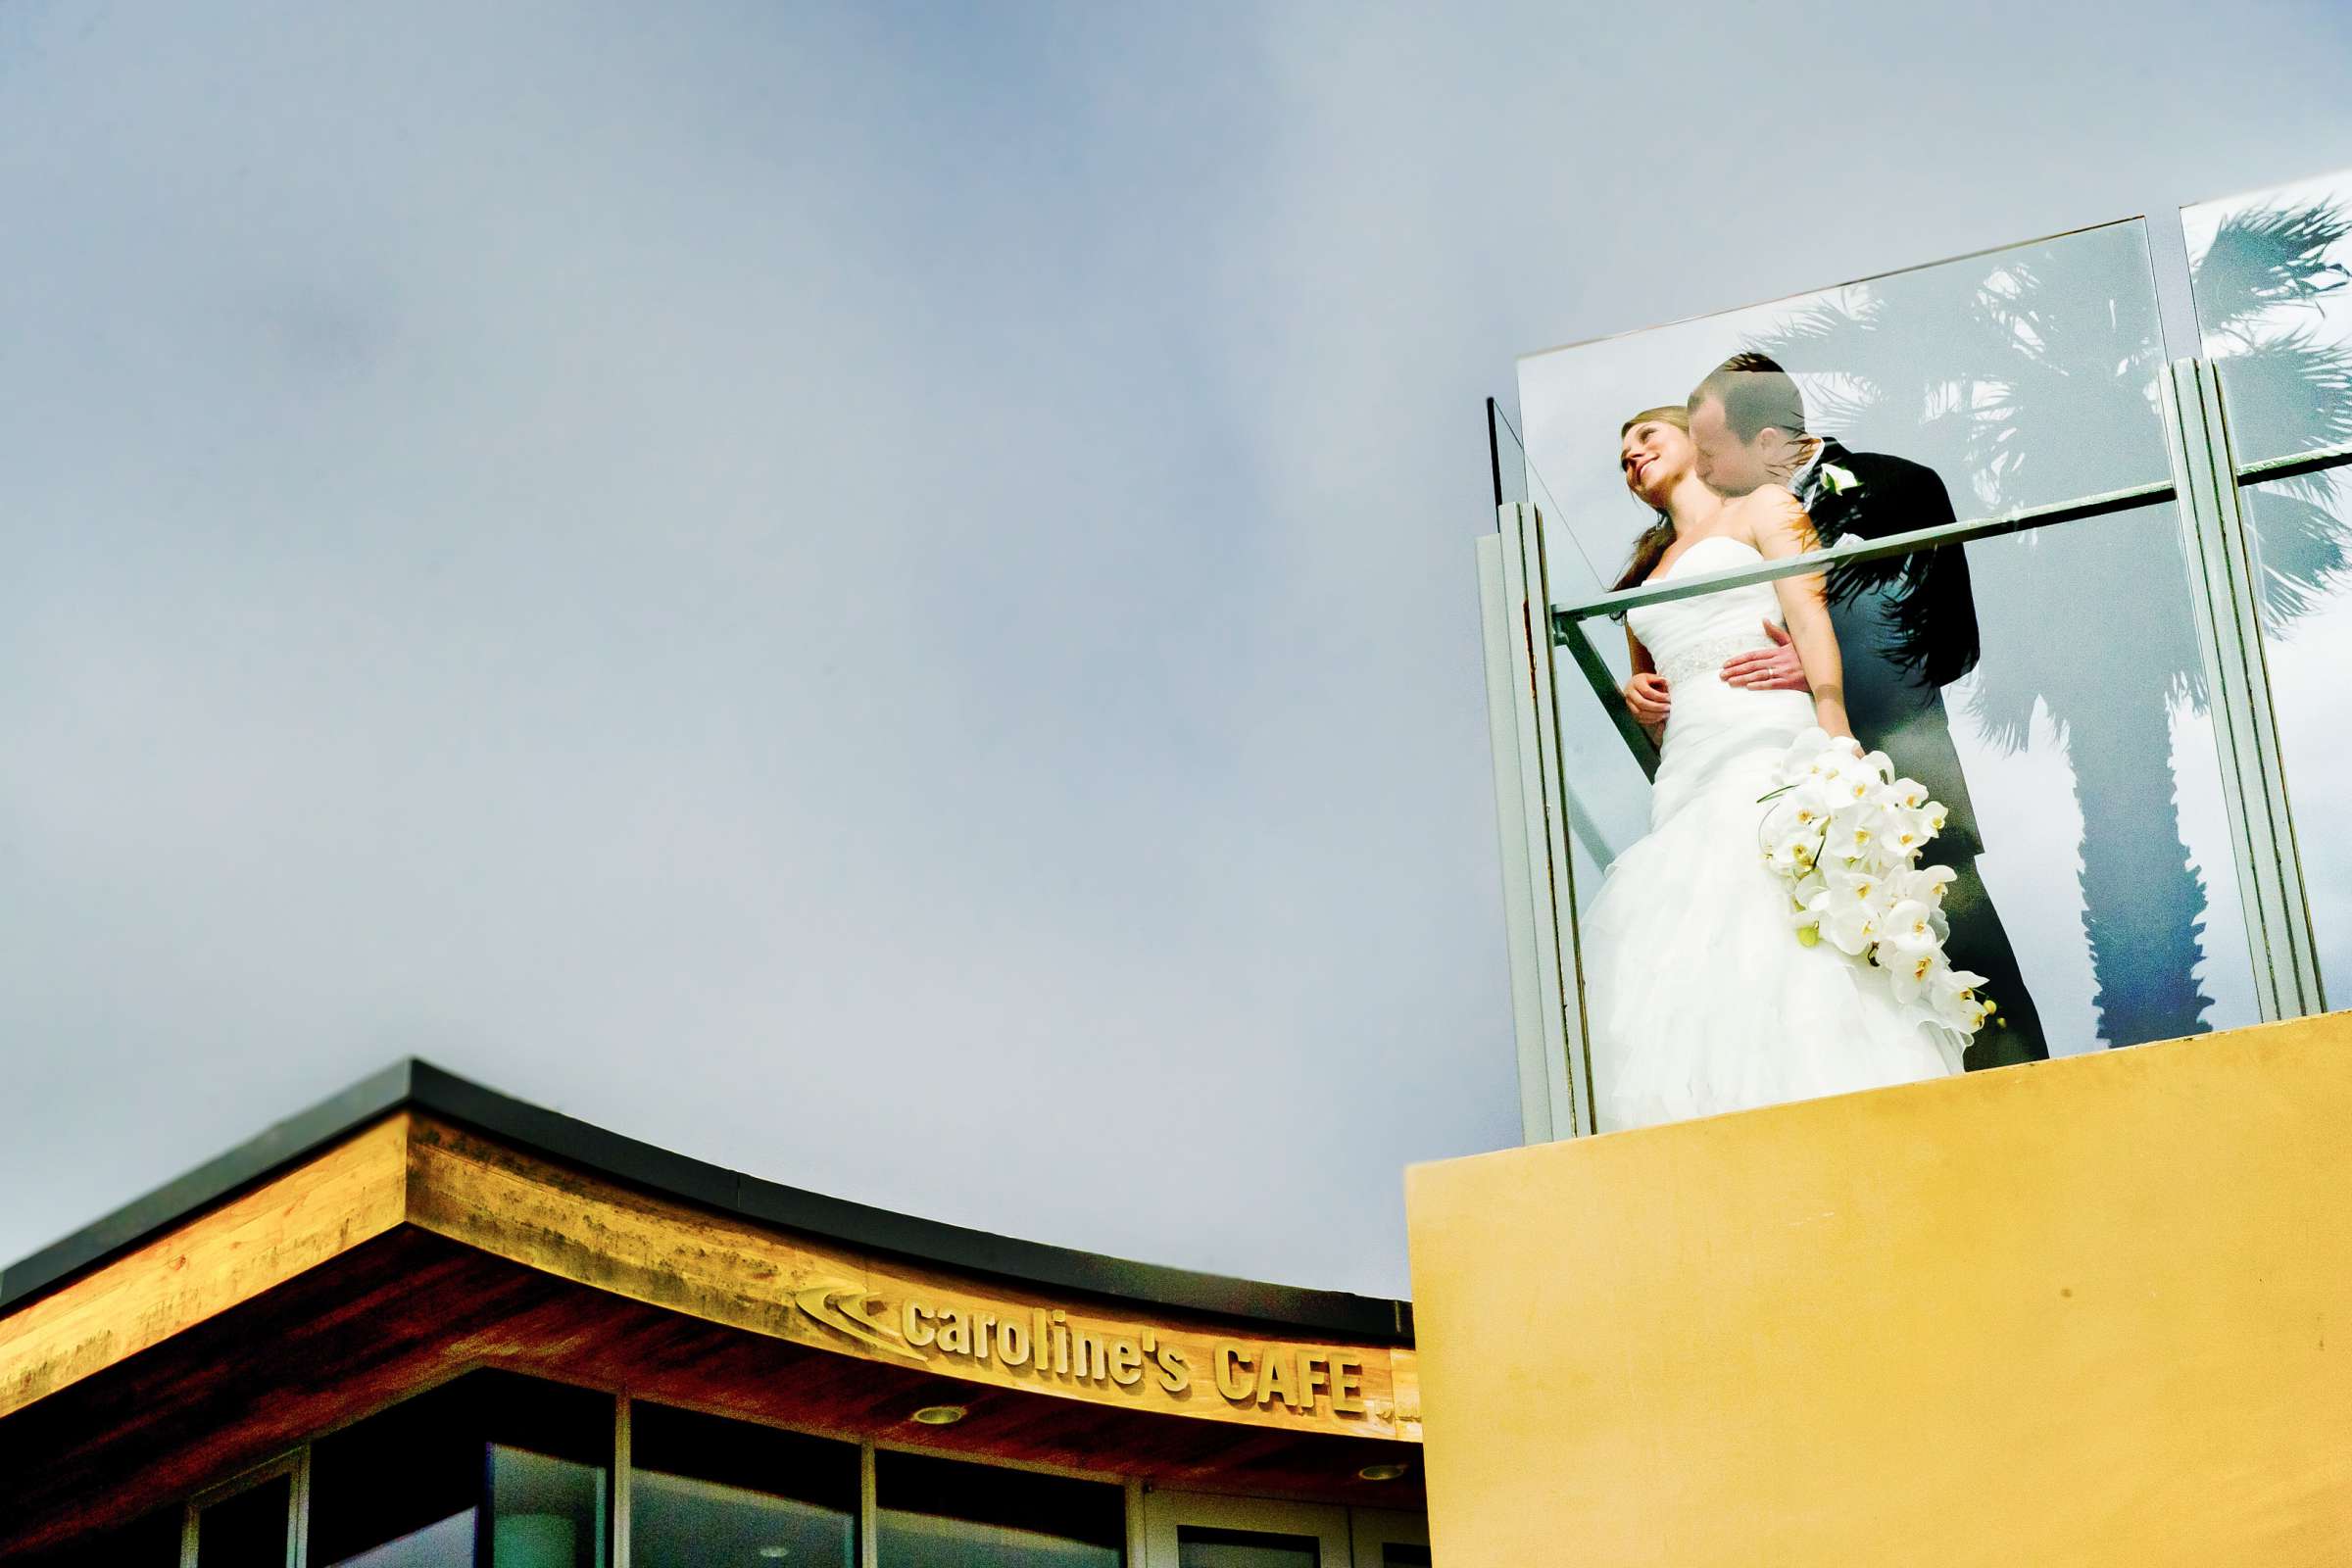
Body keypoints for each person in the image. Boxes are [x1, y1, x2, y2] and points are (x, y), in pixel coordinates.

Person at [1581, 406, 1965, 1133]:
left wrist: (1836, 735)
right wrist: (1640, 698)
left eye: (1645, 438)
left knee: (1783, 921)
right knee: (1695, 937)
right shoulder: (1640, 584)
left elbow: (1810, 615)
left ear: (1696, 442)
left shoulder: (1763, 507)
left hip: (1767, 740)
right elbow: (1653, 687)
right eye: (1622, 455)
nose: (1631, 456)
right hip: (1687, 772)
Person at [1672, 353, 2046, 1067]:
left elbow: (1946, 637)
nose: (1704, 473)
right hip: (1776, 782)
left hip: (1897, 760)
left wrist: (1822, 661)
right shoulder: (1721, 529)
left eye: (1712, 455)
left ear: (1769, 443)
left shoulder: (1898, 485)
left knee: (1964, 952)